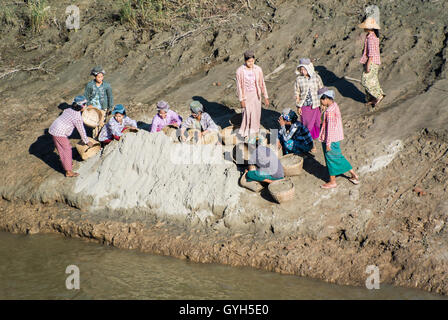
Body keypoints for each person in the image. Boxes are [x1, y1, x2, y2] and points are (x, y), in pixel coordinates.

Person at [318, 88, 359, 189]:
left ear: (326, 99)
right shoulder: (334, 106)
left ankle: (332, 181)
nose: (321, 102)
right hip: (336, 137)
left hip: (331, 139)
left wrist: (328, 143)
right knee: (338, 157)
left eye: (321, 100)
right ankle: (354, 174)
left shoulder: (329, 112)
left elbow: (330, 129)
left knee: (331, 159)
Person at [48, 95, 94, 177]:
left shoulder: (68, 109)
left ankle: (67, 162)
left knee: (61, 148)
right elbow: (81, 130)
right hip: (59, 133)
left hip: (54, 128)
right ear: (81, 106)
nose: (86, 106)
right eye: (85, 104)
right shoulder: (77, 117)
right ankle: (68, 172)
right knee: (67, 149)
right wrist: (87, 141)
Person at [236, 50, 269, 139]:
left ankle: (254, 131)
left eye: (252, 61)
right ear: (245, 61)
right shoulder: (240, 71)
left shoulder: (258, 69)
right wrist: (241, 99)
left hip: (256, 95)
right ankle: (246, 132)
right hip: (246, 96)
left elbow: (262, 83)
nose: (251, 63)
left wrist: (265, 96)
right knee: (246, 113)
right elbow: (239, 86)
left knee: (256, 113)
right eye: (248, 61)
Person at [294, 58, 324, 152]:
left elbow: (321, 89)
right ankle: (311, 144)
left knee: (317, 123)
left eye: (304, 69)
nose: (303, 71)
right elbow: (297, 93)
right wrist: (298, 106)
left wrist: (323, 103)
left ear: (309, 68)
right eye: (301, 69)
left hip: (316, 105)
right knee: (307, 125)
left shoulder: (316, 77)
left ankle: (315, 139)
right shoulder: (299, 79)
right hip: (305, 107)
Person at [359, 17, 385, 108]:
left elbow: (371, 54)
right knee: (373, 80)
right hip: (374, 62)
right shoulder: (373, 36)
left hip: (372, 62)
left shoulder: (371, 38)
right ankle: (374, 97)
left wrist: (368, 65)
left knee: (365, 81)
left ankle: (378, 96)